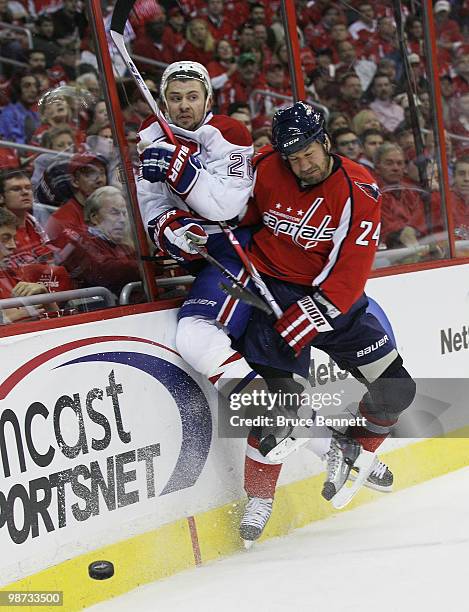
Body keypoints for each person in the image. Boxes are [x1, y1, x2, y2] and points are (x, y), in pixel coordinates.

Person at [180, 102, 416, 544]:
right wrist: (201, 229)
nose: (301, 164)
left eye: (308, 152)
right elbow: (238, 219)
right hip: (273, 296)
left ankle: (355, 449)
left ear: (325, 141)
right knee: (277, 407)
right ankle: (260, 497)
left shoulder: (358, 189)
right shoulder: (267, 166)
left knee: (397, 390)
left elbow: (353, 266)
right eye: (292, 156)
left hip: (332, 300)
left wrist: (316, 312)